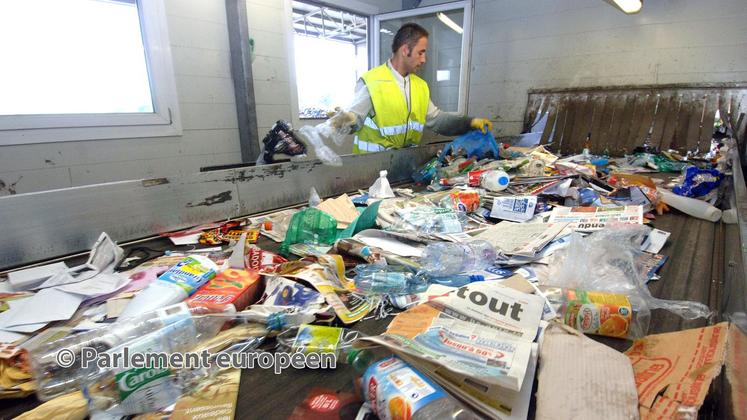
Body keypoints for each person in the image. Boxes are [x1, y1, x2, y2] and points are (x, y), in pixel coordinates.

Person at [330, 23, 493, 154]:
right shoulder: (372, 81)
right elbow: (355, 121)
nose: (424, 59)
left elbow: (437, 121)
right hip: (371, 171)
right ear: (405, 50)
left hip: (402, 167)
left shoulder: (420, 86)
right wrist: (344, 121)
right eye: (420, 53)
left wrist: (469, 122)